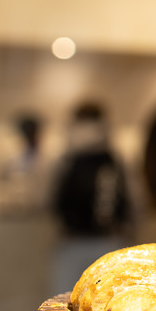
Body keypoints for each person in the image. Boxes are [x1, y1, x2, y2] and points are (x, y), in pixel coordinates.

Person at [50, 103, 132, 293]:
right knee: (103, 301)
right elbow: (135, 202)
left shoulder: (67, 160)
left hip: (77, 241)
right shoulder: (114, 159)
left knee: (68, 303)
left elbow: (47, 200)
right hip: (104, 240)